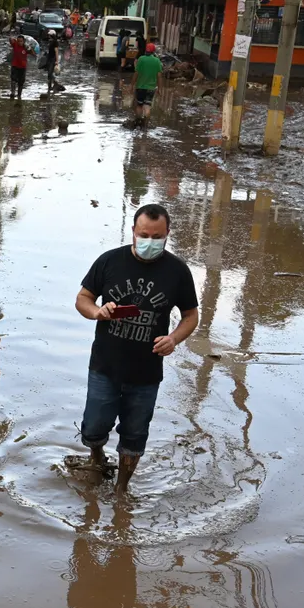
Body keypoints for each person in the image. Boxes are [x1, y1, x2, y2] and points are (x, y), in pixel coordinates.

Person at [75, 204, 199, 493]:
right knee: (93, 427)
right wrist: (96, 312)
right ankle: (97, 458)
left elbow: (191, 316)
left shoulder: (177, 271)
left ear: (167, 234)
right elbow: (83, 298)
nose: (150, 241)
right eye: (144, 235)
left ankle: (121, 490)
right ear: (133, 231)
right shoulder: (109, 262)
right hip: (105, 366)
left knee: (134, 434)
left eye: (157, 237)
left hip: (146, 372)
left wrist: (174, 339)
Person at [129, 42, 163, 128]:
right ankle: (145, 124)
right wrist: (160, 88)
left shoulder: (141, 59)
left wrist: (132, 85)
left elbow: (136, 73)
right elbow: (159, 76)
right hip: (151, 88)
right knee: (147, 106)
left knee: (139, 105)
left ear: (145, 51)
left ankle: (138, 121)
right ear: (153, 51)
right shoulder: (157, 61)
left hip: (140, 87)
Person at [9, 34, 35, 101]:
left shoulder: (26, 48)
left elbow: (34, 54)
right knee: (13, 80)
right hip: (15, 66)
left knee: (21, 82)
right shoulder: (15, 45)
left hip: (22, 67)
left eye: (21, 41)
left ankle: (19, 95)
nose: (20, 43)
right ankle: (12, 93)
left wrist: (29, 48)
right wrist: (12, 38)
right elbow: (10, 39)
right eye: (19, 41)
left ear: (24, 41)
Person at [45, 30, 60, 95]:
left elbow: (56, 51)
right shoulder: (51, 42)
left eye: (49, 35)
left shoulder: (55, 42)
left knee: (50, 73)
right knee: (49, 73)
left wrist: (56, 61)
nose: (48, 36)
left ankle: (55, 83)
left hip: (52, 59)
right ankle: (50, 86)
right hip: (49, 59)